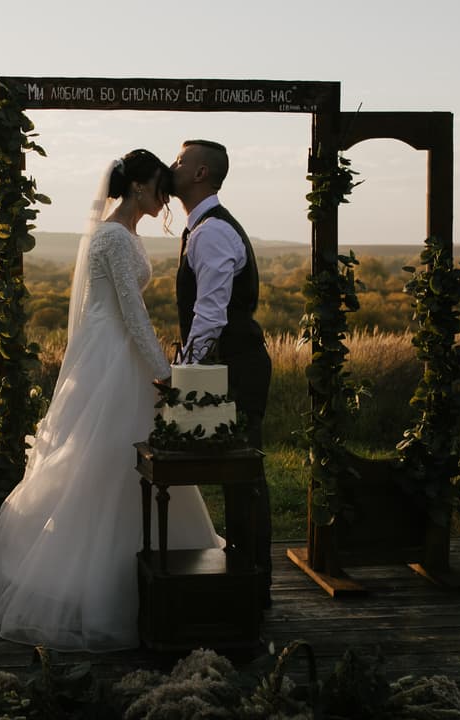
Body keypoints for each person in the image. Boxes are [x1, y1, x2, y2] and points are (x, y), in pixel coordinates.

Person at [0, 149, 222, 652]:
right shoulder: (113, 236)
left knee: (129, 464)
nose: (165, 196)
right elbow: (132, 315)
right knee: (104, 464)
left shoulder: (126, 234)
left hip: (120, 355)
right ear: (137, 186)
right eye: (159, 186)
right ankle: (98, 589)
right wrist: (167, 374)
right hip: (113, 358)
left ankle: (162, 577)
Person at [170, 139, 273, 606]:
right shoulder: (204, 226)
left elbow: (210, 315)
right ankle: (247, 580)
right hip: (231, 366)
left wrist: (184, 375)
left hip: (236, 370)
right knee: (239, 479)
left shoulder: (211, 231)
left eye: (180, 161)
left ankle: (253, 584)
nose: (172, 167)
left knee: (244, 479)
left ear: (200, 173)